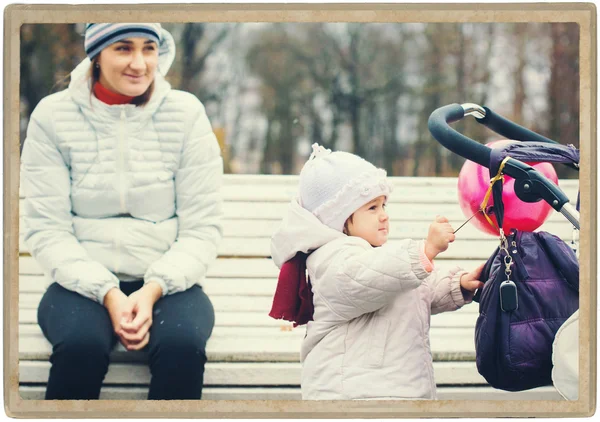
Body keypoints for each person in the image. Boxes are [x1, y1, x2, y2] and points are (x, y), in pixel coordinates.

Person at [20, 23, 223, 400]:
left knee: (182, 348)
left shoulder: (186, 114)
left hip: (169, 283)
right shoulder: (52, 117)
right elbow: (47, 229)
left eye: (149, 48)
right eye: (123, 49)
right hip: (78, 284)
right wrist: (108, 293)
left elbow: (202, 228)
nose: (140, 63)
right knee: (81, 348)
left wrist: (151, 291)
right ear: (96, 55)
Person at [269, 144, 484, 400]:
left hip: (393, 396)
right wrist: (425, 250)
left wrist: (458, 284)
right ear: (339, 218)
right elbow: (368, 278)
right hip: (350, 401)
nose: (384, 216)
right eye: (372, 208)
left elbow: (413, 291)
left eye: (384, 206)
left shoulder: (376, 259)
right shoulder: (332, 262)